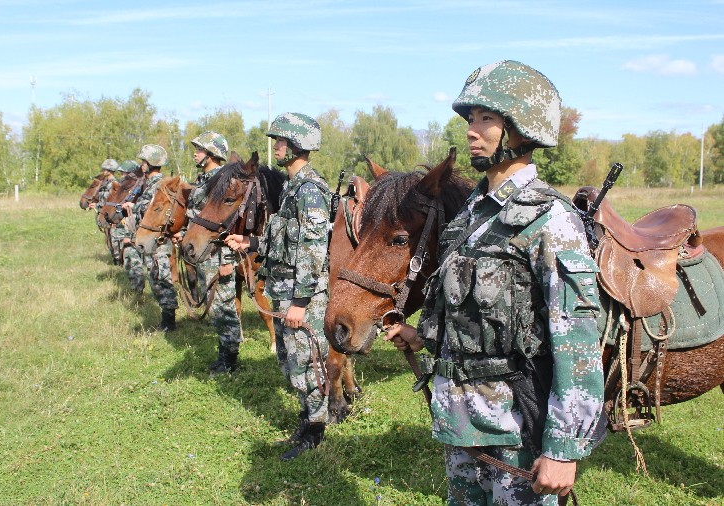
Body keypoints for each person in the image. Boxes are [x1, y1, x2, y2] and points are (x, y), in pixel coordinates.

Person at [383, 60, 605, 505]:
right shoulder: (471, 213)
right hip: (463, 420)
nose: (471, 130)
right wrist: (422, 335)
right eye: (470, 119)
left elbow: (576, 340)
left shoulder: (550, 219)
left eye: (487, 118)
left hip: (515, 426)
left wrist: (564, 446)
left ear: (523, 129)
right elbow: (468, 308)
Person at [225, 112, 331, 461]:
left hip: (304, 296)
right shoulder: (291, 188)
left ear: (300, 144)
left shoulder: (311, 190)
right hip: (285, 291)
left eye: (282, 141)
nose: (277, 147)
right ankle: (307, 418)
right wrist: (250, 244)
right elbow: (286, 242)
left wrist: (301, 301)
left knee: (308, 363)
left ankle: (315, 429)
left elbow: (314, 250)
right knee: (291, 363)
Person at [172, 131, 244, 374]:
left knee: (223, 305)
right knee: (214, 306)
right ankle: (223, 353)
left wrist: (229, 261)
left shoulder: (222, 183)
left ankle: (230, 358)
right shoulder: (203, 180)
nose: (196, 153)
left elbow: (230, 223)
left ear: (213, 154)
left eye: (200, 149)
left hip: (219, 254)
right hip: (204, 251)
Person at [122, 144, 179, 331]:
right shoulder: (151, 185)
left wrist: (135, 207)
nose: (142, 165)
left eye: (144, 161)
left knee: (161, 279)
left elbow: (156, 211)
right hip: (150, 239)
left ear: (151, 162)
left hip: (158, 242)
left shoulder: (160, 186)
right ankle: (167, 318)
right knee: (156, 279)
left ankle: (169, 321)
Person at [109, 160, 141, 270]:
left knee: (128, 245)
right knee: (118, 242)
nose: (122, 176)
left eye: (124, 173)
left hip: (132, 220)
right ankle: (120, 262)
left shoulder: (137, 187)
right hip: (122, 217)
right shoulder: (124, 187)